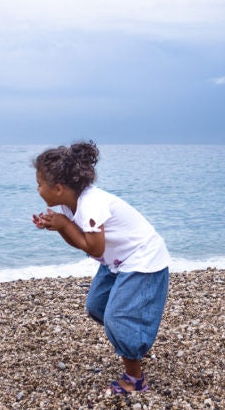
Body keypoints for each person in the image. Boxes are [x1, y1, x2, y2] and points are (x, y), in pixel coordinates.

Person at [32, 141, 170, 395]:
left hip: (143, 259)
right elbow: (82, 243)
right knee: (97, 307)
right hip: (117, 261)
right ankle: (132, 334)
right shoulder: (66, 205)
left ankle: (135, 379)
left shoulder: (91, 205)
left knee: (117, 318)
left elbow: (94, 248)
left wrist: (63, 225)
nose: (37, 188)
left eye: (40, 183)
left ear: (59, 188)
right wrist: (58, 226)